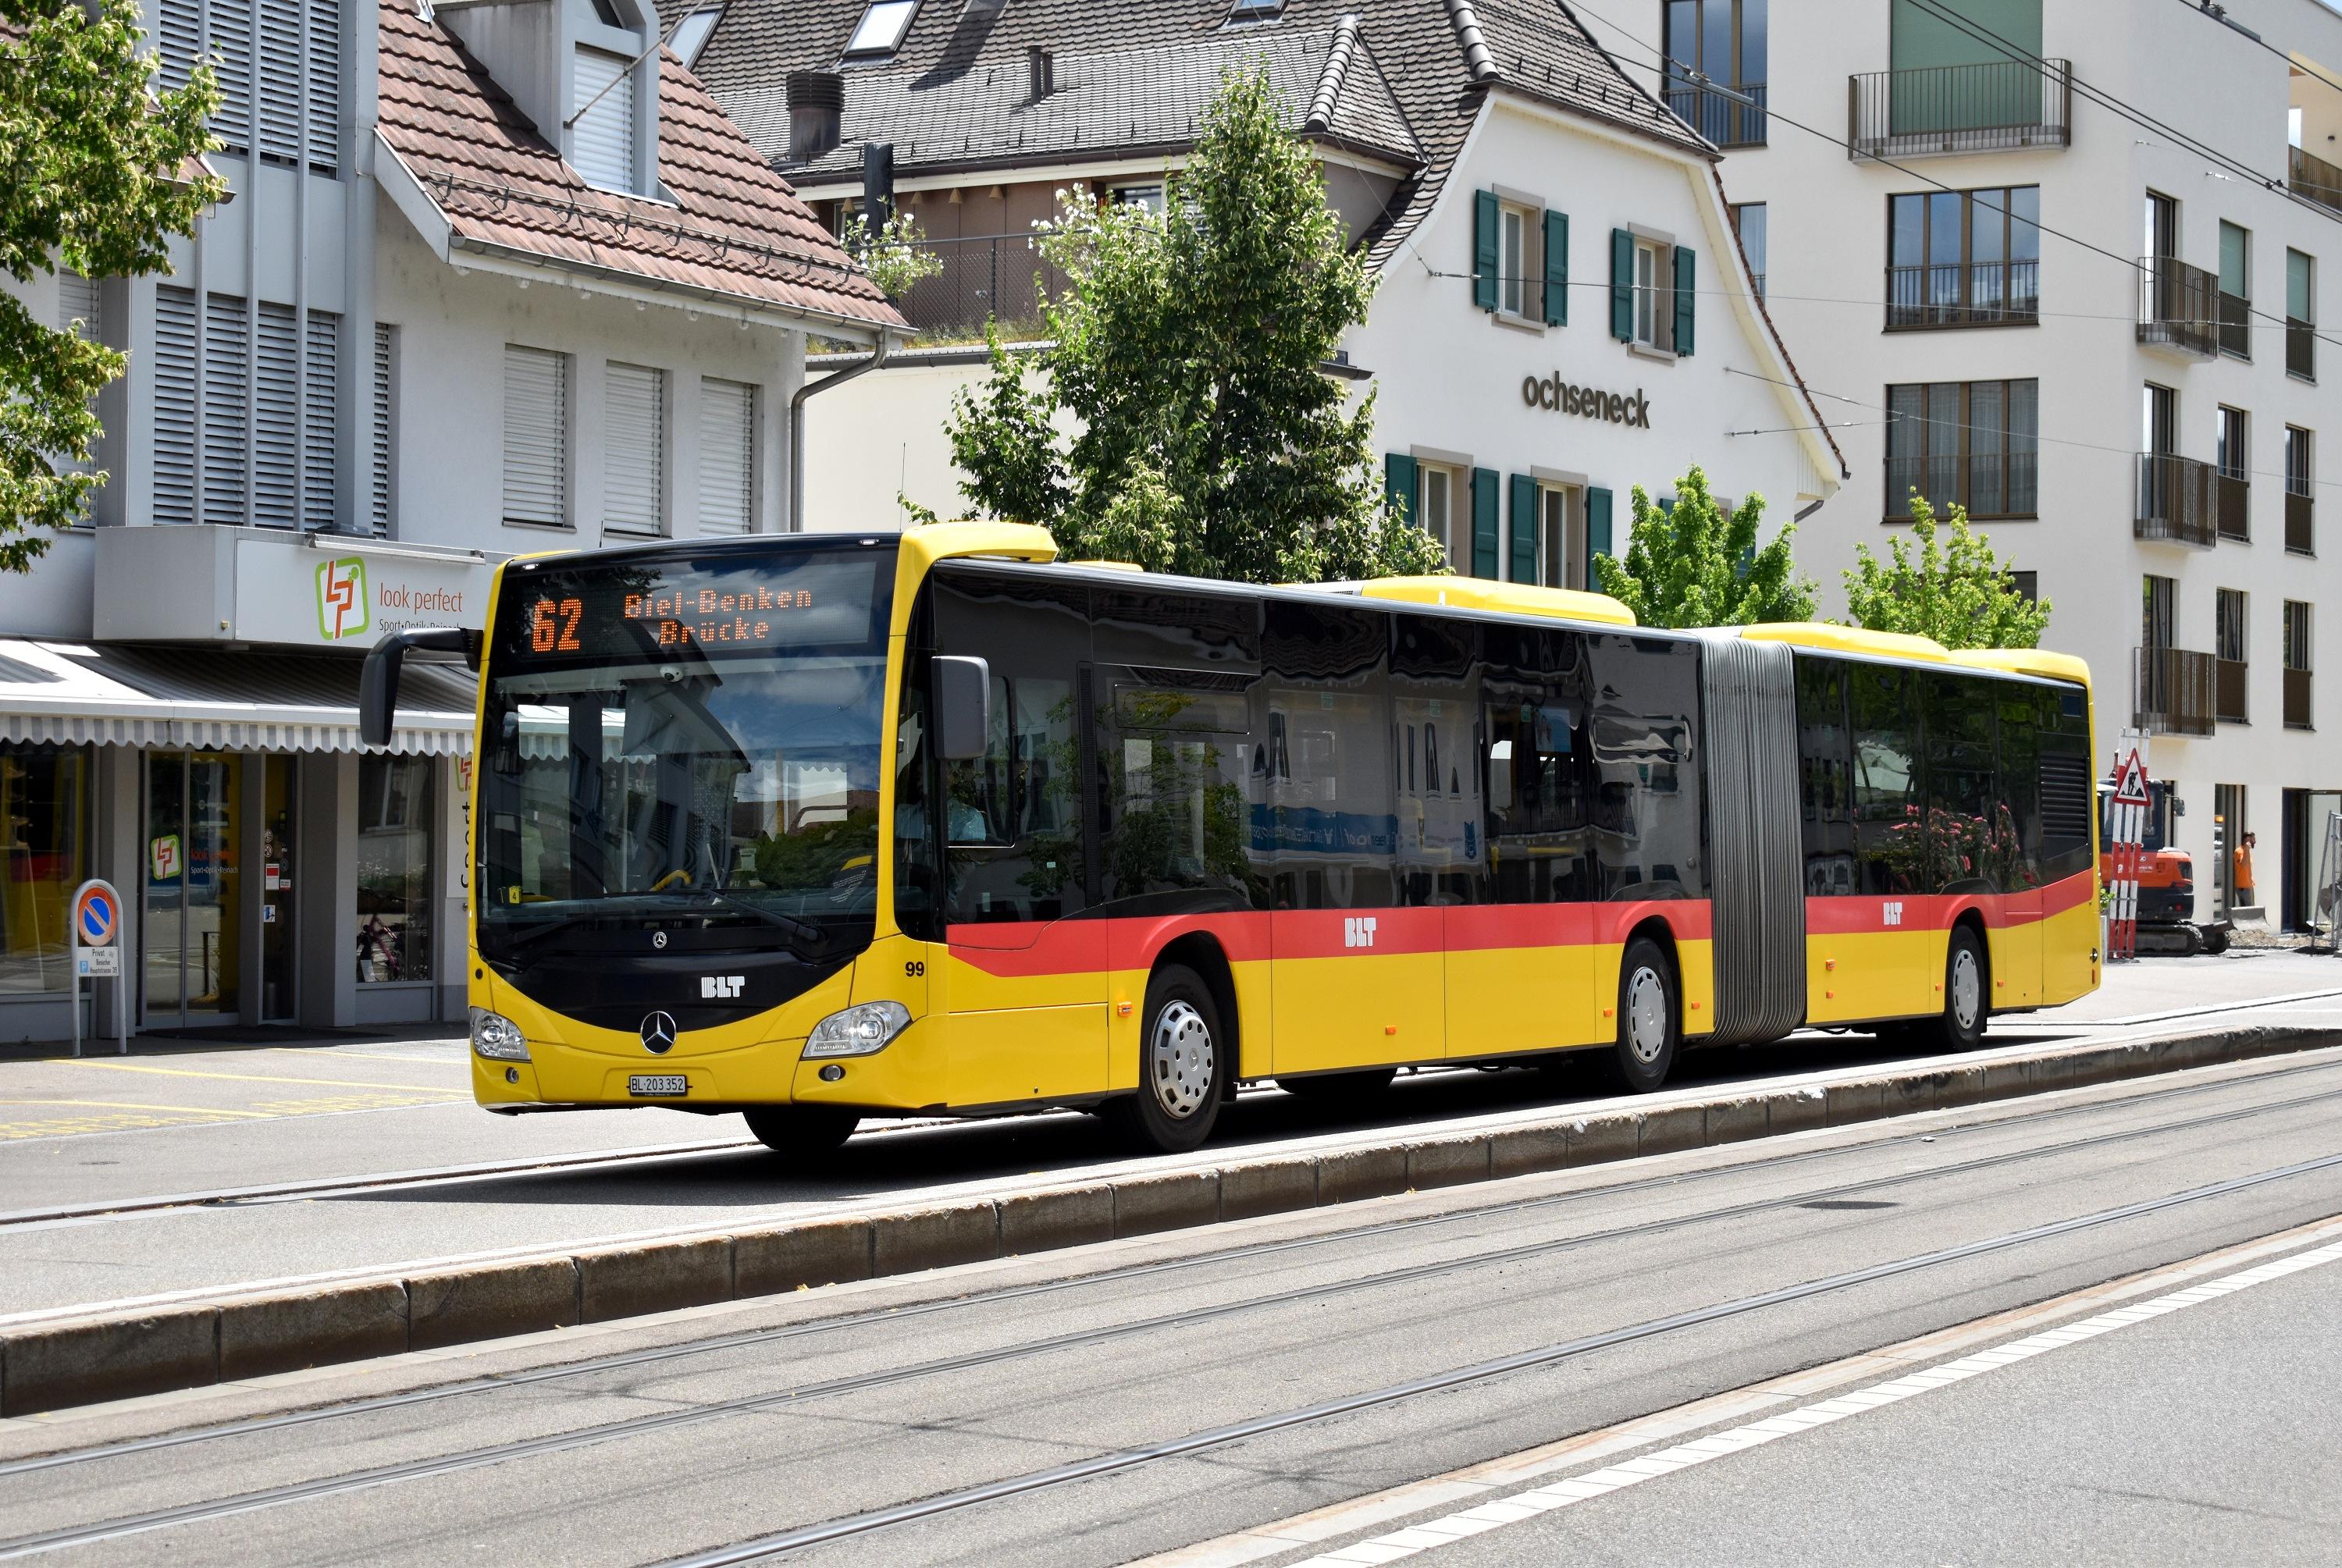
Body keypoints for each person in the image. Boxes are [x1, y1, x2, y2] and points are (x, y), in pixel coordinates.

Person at [2233, 830, 2256, 907]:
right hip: (2244, 887)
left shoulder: (2246, 851)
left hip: (2248, 885)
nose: (2255, 842)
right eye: (2253, 839)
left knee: (2245, 911)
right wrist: (2246, 850)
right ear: (2248, 839)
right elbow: (2244, 865)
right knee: (2250, 911)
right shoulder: (2240, 852)